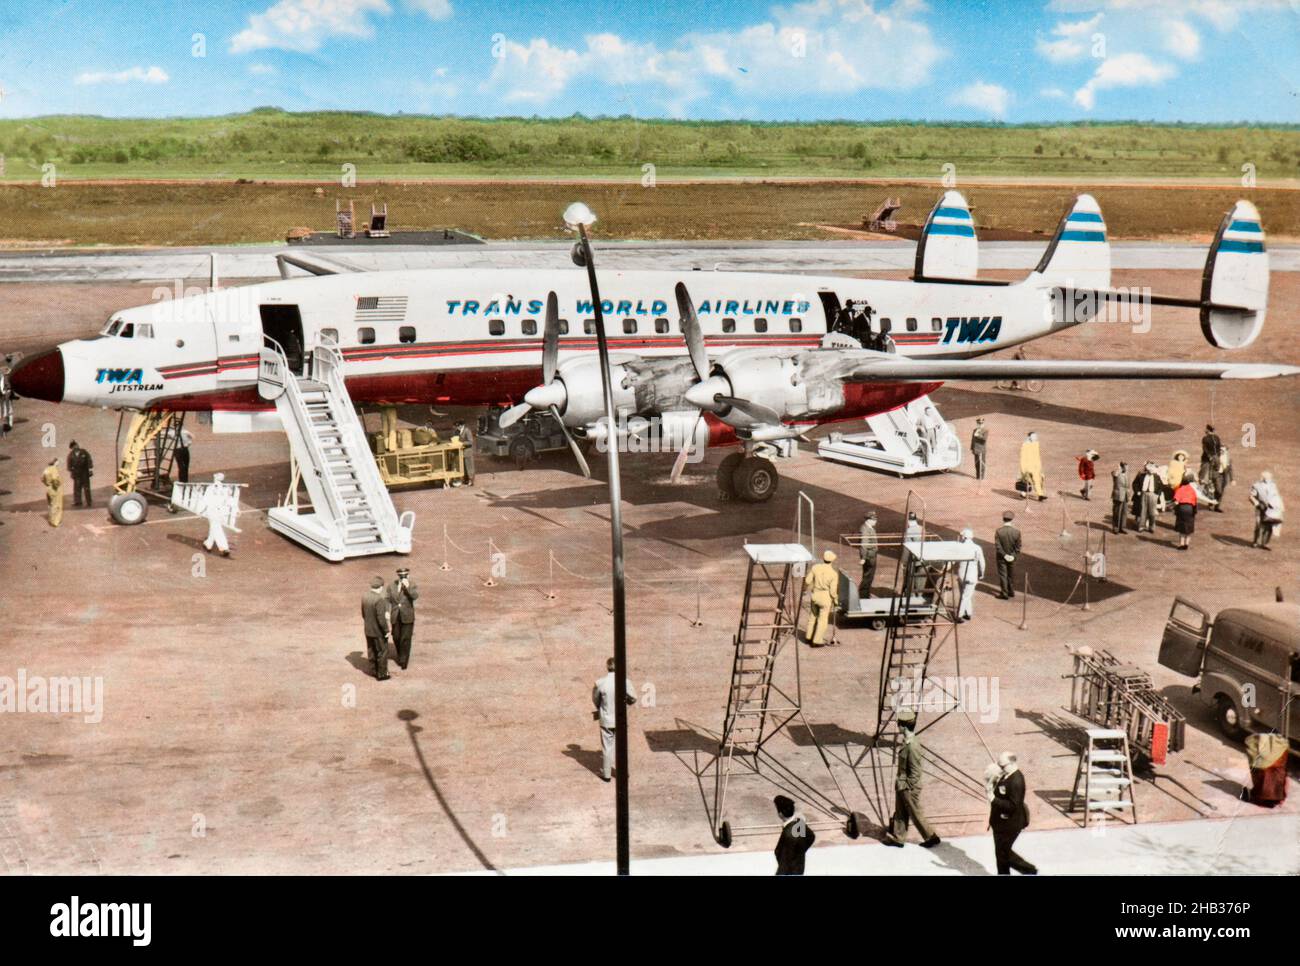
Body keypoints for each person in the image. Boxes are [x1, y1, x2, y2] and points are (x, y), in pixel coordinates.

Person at [882, 709, 939, 848]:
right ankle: (898, 838)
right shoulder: (908, 741)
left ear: (903, 726)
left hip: (908, 786)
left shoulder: (912, 746)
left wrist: (907, 787)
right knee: (901, 811)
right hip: (902, 784)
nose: (898, 727)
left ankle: (931, 837)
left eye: (899, 724)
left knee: (915, 812)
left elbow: (915, 772)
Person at [989, 751, 1037, 875]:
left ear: (1012, 763)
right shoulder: (1006, 774)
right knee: (1000, 854)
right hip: (999, 823)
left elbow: (1012, 806)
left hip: (1010, 824)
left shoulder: (1016, 780)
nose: (1000, 768)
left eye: (1002, 766)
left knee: (1003, 853)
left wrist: (993, 799)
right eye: (999, 765)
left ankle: (1029, 870)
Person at [592, 656, 636, 782]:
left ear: (607, 667)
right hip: (620, 718)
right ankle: (623, 773)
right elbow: (633, 698)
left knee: (607, 747)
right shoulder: (625, 681)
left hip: (606, 719)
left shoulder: (600, 682)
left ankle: (606, 775)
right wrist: (626, 702)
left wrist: (601, 708)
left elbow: (595, 699)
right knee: (622, 747)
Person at [803, 550, 840, 646]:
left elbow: (807, 581)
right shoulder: (833, 574)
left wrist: (804, 590)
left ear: (823, 559)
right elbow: (832, 591)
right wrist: (836, 600)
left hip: (815, 595)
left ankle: (808, 637)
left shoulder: (815, 568)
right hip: (825, 597)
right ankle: (817, 640)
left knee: (812, 617)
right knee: (822, 620)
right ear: (832, 561)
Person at [773, 794, 815, 875]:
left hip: (790, 872)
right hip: (799, 869)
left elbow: (784, 864)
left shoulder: (788, 834)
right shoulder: (799, 824)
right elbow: (811, 837)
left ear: (780, 814)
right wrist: (800, 851)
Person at [387, 567, 419, 670]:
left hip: (407, 615)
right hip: (395, 615)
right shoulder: (392, 586)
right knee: (396, 636)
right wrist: (387, 611)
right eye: (401, 577)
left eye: (404, 576)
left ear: (408, 576)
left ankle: (404, 661)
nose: (402, 578)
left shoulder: (412, 585)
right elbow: (387, 599)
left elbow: (415, 596)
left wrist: (408, 587)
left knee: (405, 638)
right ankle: (401, 654)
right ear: (398, 577)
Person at [361, 576, 392, 681]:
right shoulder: (379, 599)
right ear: (381, 587)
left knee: (371, 650)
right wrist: (386, 631)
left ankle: (373, 670)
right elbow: (381, 619)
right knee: (382, 652)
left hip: (368, 629)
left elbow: (363, 614)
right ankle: (382, 674)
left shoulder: (365, 596)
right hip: (378, 631)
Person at [1250, 471, 1284, 550]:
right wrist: (1257, 503)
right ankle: (1255, 542)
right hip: (1260, 508)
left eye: (1270, 478)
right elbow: (1251, 497)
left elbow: (1276, 496)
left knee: (1269, 526)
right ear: (1264, 478)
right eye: (1268, 478)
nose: (1270, 479)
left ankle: (1265, 543)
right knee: (1258, 524)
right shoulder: (1256, 486)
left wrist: (1278, 505)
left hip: (1271, 509)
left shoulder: (1273, 485)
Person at [200, 472, 232, 557]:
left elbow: (205, 500)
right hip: (221, 511)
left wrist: (200, 510)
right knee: (215, 527)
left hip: (213, 511)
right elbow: (229, 500)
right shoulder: (226, 489)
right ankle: (208, 544)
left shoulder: (210, 488)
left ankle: (224, 547)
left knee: (216, 528)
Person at [956, 528, 985, 622]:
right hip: (972, 574)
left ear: (964, 537)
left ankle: (967, 613)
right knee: (966, 595)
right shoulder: (977, 548)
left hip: (961, 573)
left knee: (964, 594)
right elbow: (982, 563)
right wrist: (982, 573)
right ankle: (960, 615)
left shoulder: (959, 547)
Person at [994, 511, 1021, 599]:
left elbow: (998, 546)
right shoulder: (1016, 532)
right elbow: (1018, 547)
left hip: (1001, 557)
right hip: (1012, 557)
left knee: (1003, 575)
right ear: (1012, 519)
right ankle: (1011, 591)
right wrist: (1012, 555)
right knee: (1011, 575)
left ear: (1003, 519)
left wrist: (1004, 555)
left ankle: (1004, 593)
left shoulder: (999, 531)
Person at [66, 440, 93, 508]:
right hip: (76, 474)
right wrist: (71, 470)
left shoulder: (84, 452)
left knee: (86, 488)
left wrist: (90, 469)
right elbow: (69, 464)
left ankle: (89, 502)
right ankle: (77, 501)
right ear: (72, 448)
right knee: (77, 488)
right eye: (74, 446)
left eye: (76, 445)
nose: (76, 446)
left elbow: (89, 460)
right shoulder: (71, 455)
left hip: (84, 473)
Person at [1173, 478, 1198, 550]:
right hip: (1190, 509)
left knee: (1182, 528)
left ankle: (1181, 544)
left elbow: (1176, 501)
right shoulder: (1192, 490)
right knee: (1189, 527)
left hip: (1182, 508)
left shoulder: (1180, 489)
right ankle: (1186, 544)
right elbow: (1195, 502)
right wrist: (1194, 512)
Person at [858, 511, 879, 599]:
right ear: (868, 520)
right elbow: (864, 544)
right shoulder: (866, 530)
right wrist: (863, 557)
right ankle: (863, 595)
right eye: (874, 519)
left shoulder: (869, 528)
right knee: (868, 576)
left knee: (868, 575)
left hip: (871, 555)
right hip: (869, 556)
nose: (876, 521)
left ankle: (865, 594)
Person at [1019, 432, 1045, 501]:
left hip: (1035, 465)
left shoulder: (1036, 444)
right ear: (1029, 437)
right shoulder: (1025, 445)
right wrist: (1023, 468)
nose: (1035, 438)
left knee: (1037, 479)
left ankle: (1040, 495)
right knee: (1026, 480)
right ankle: (1023, 493)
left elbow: (1037, 455)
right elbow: (1023, 457)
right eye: (1033, 436)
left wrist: (1039, 466)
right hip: (1027, 465)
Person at [1136, 462, 1159, 533]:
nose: (1151, 471)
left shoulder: (1156, 477)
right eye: (1149, 470)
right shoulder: (1141, 476)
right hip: (1144, 494)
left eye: (1152, 470)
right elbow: (1135, 484)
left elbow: (1161, 486)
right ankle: (1141, 526)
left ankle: (1151, 527)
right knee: (1143, 511)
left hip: (1153, 495)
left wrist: (1157, 494)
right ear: (1147, 470)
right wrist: (1137, 491)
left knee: (1152, 512)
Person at [41, 459, 63, 528]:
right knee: (57, 505)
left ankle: (51, 519)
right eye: (57, 462)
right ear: (55, 462)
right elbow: (55, 479)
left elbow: (42, 479)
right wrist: (57, 485)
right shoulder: (54, 469)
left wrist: (47, 484)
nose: (58, 463)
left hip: (48, 488)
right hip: (54, 488)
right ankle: (55, 522)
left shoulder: (46, 469)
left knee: (50, 504)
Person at [454, 420, 476, 486]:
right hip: (461, 452)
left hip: (467, 451)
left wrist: (462, 443)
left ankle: (471, 480)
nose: (457, 427)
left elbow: (470, 441)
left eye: (457, 426)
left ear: (461, 425)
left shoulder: (467, 431)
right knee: (464, 466)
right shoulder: (457, 431)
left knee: (469, 466)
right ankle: (466, 479)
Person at [1110, 461, 1129, 534]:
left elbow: (1128, 486)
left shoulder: (1127, 474)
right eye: (1125, 467)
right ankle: (1116, 528)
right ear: (1122, 467)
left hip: (1125, 496)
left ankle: (1122, 527)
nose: (1127, 469)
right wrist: (1119, 469)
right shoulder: (1116, 473)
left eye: (1127, 467)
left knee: (1124, 512)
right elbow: (1114, 474)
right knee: (1117, 512)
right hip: (1118, 495)